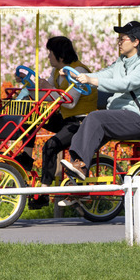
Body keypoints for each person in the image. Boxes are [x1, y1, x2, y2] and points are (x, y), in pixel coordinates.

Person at [60, 21, 140, 188]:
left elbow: (125, 84)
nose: (119, 42)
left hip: (138, 118)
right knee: (85, 127)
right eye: (119, 39)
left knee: (95, 119)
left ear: (136, 42)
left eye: (123, 39)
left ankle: (80, 168)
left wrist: (92, 80)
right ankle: (77, 182)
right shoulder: (122, 61)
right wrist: (76, 74)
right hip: (121, 115)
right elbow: (104, 74)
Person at [34, 37, 98, 201]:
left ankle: (44, 190)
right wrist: (34, 89)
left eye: (51, 53)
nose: (48, 57)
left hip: (81, 122)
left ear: (60, 57)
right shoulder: (56, 72)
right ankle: (26, 158)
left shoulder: (79, 72)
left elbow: (69, 102)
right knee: (33, 119)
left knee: (51, 145)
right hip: (66, 119)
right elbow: (50, 96)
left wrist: (49, 89)